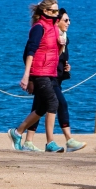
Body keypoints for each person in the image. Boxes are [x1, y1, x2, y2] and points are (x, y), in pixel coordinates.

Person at [22, 8, 86, 153]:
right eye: (65, 20)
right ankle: (66, 140)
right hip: (44, 77)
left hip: (55, 77)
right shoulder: (45, 34)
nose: (69, 23)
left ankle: (27, 140)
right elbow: (30, 54)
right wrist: (30, 79)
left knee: (39, 107)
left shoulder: (63, 38)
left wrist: (66, 67)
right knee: (59, 103)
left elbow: (58, 59)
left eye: (69, 20)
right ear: (57, 22)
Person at [8, 0, 64, 153]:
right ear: (45, 11)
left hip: (50, 72)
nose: (56, 14)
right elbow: (29, 52)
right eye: (53, 11)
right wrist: (27, 76)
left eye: (57, 11)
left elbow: (55, 53)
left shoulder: (53, 28)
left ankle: (17, 132)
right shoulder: (39, 28)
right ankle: (50, 142)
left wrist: (61, 45)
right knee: (53, 103)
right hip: (39, 72)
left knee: (41, 107)